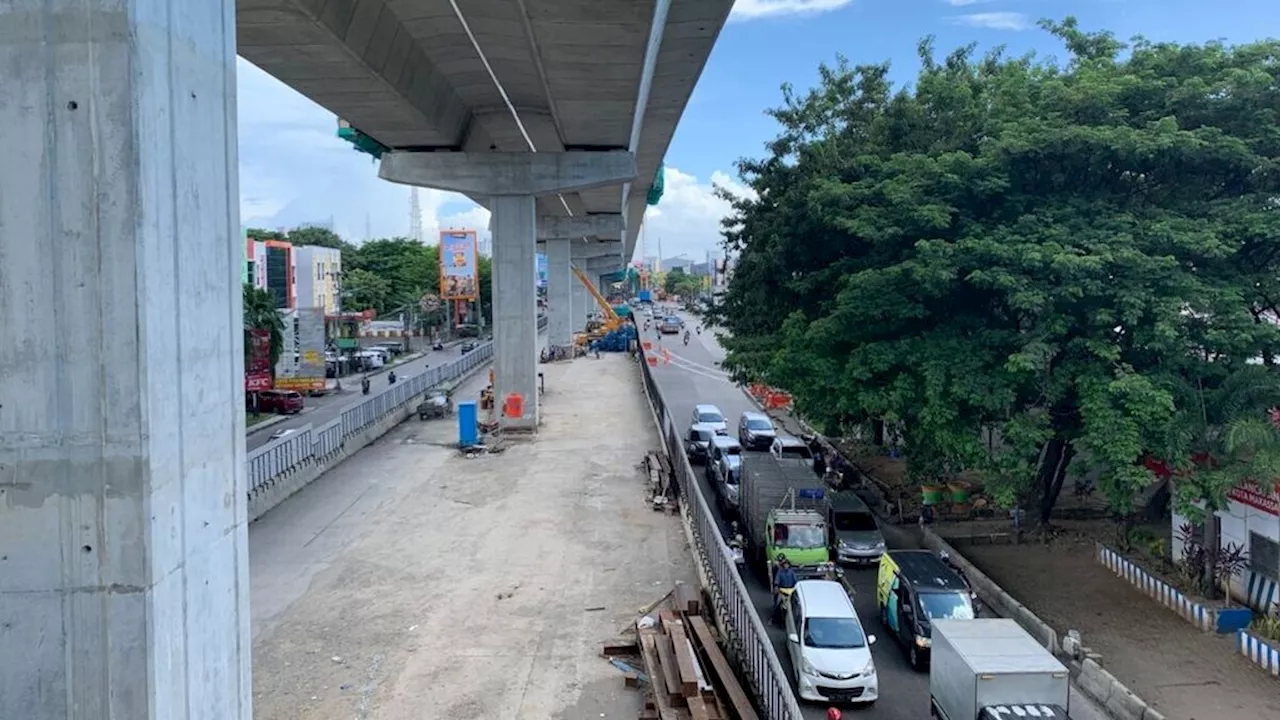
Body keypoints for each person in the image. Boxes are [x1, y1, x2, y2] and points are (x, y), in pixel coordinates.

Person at [772, 554, 798, 621]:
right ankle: (773, 618)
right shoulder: (780, 572)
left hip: (791, 591)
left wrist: (796, 586)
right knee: (778, 603)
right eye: (785, 564)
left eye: (787, 565)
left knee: (797, 603)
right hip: (782, 591)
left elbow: (795, 580)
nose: (786, 566)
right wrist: (777, 586)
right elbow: (777, 580)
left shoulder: (791, 572)